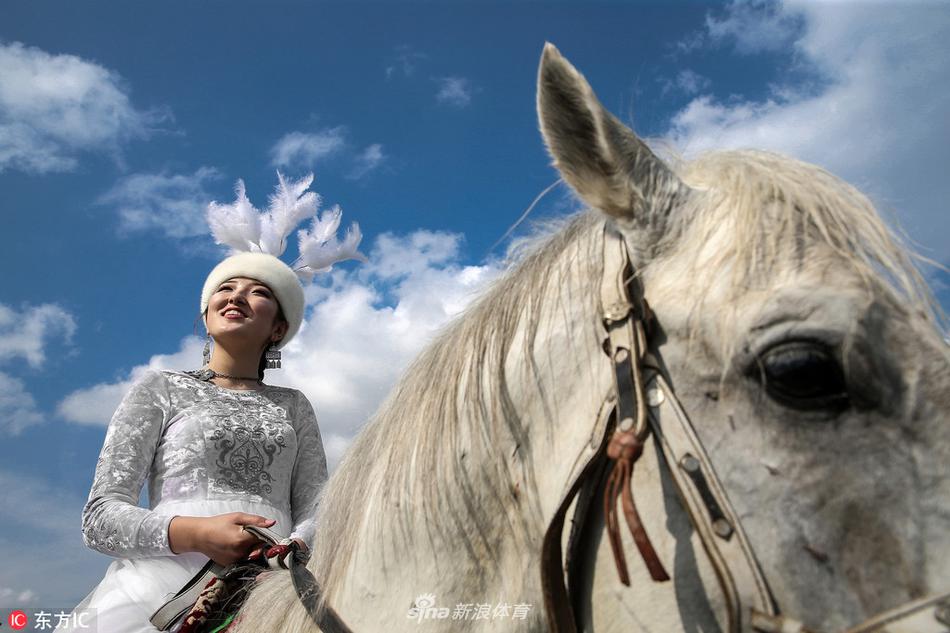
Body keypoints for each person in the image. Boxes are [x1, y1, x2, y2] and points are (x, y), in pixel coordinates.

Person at [63, 252, 329, 633]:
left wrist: (291, 547)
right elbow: (99, 518)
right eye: (226, 288)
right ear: (206, 318)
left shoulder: (295, 405)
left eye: (258, 292)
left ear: (278, 329)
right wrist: (198, 533)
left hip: (273, 583)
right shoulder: (161, 388)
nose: (236, 296)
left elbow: (316, 508)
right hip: (160, 591)